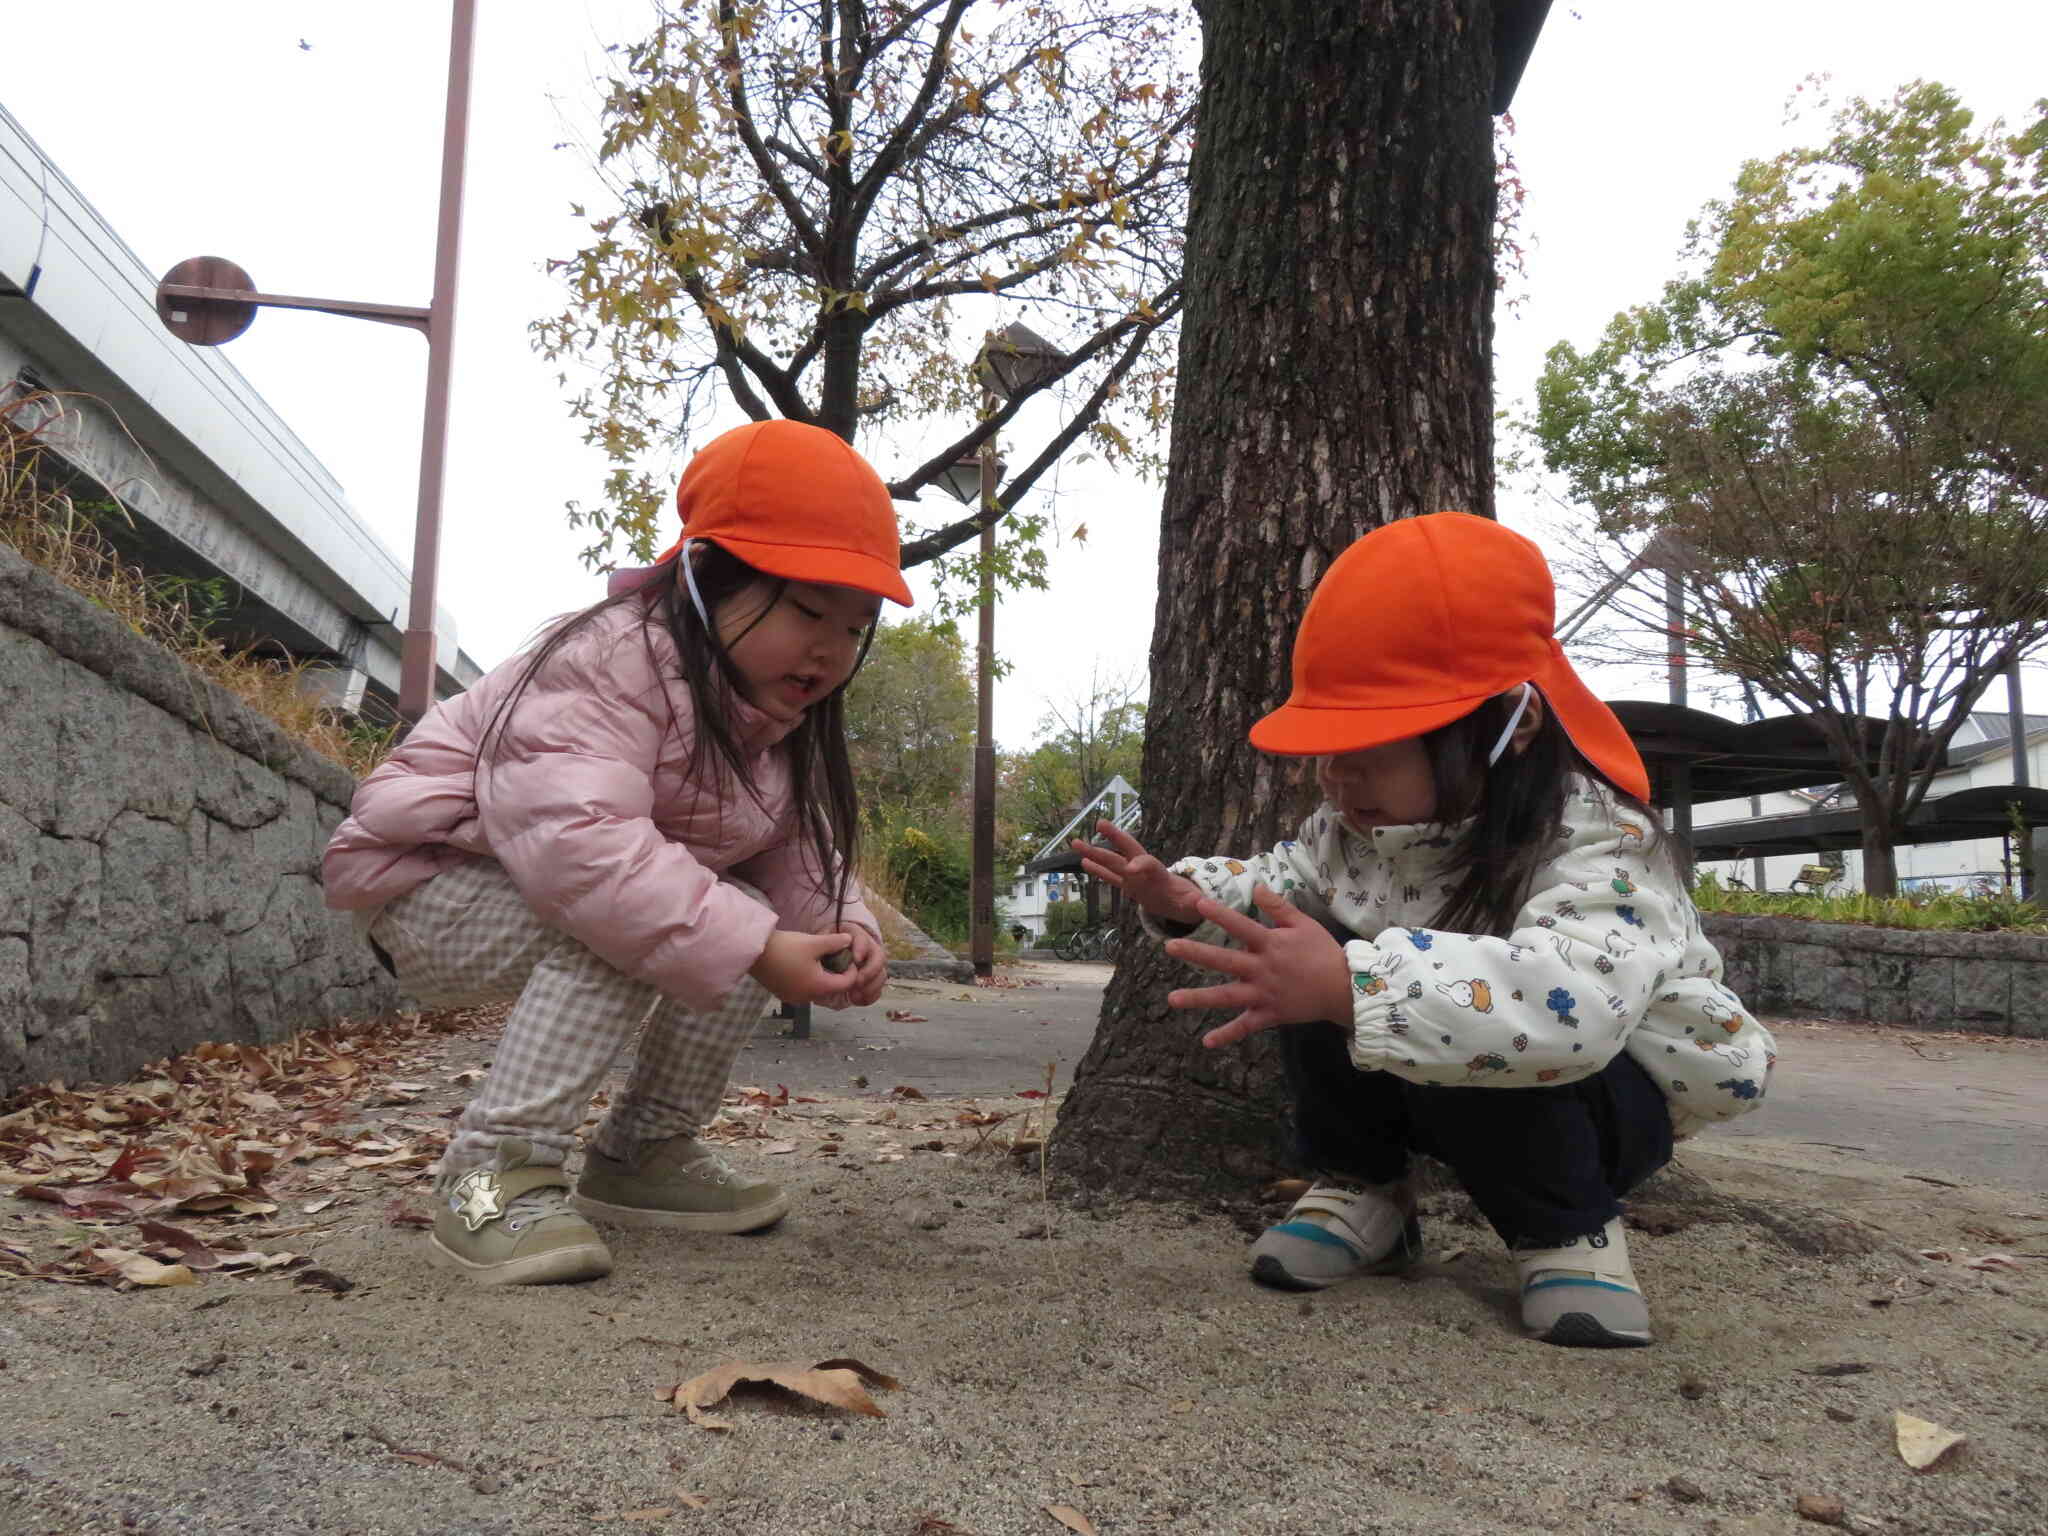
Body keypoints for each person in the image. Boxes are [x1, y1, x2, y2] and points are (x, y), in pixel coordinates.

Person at [1075, 513, 1775, 1348]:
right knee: (1303, 947)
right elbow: (1276, 886)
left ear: (1506, 729)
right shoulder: (1350, 837)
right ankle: (1365, 1187)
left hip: (1599, 1092)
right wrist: (1187, 896)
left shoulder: (1598, 843)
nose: (1338, 776)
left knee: (1382, 982)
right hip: (1429, 1070)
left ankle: (1569, 1230)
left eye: (1368, 746)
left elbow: (1571, 1009)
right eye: (1327, 749)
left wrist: (1350, 984)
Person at [323, 420, 910, 1285]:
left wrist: (838, 928)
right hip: (427, 886)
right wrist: (755, 943)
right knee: (639, 921)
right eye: (809, 610)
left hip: (539, 886)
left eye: (857, 627)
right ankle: (489, 1173)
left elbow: (789, 851)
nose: (831, 648)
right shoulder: (609, 661)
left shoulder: (769, 717)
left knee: (730, 919)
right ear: (708, 579)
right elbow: (586, 853)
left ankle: (645, 1150)